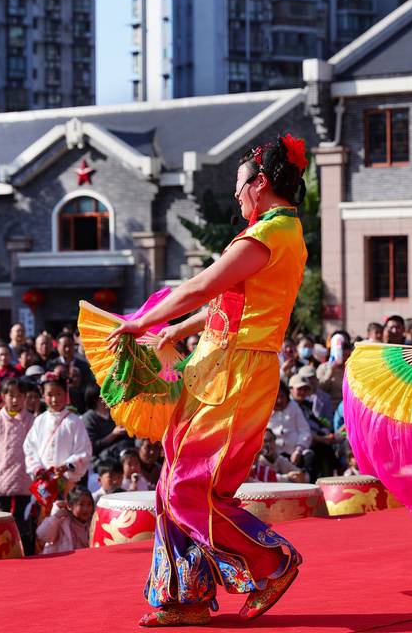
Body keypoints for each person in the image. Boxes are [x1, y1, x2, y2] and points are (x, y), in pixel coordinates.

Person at [103, 134, 309, 625]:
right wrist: (175, 328)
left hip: (238, 372)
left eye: (240, 186)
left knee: (189, 489)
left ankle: (270, 562)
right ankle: (184, 596)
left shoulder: (271, 234)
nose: (237, 195)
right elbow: (224, 301)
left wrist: (142, 321)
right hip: (218, 366)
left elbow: (201, 286)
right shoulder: (270, 234)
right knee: (172, 483)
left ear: (260, 184)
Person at [23, 373, 93, 509]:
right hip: (44, 480)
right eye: (50, 394)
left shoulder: (74, 421)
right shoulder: (40, 420)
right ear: (43, 395)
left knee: (66, 517)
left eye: (59, 394)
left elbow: (84, 450)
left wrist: (68, 465)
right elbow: (30, 447)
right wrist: (37, 468)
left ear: (66, 394)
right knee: (43, 522)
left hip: (67, 481)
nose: (54, 399)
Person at [0, 377, 34, 534]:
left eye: (19, 395)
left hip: (23, 477)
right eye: (11, 395)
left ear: (25, 397)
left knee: (22, 520)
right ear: (3, 396)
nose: (15, 400)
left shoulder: (32, 420)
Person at [36, 486, 93, 554]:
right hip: (62, 562)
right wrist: (55, 516)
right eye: (81, 504)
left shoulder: (93, 523)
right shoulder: (62, 521)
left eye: (89, 504)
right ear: (69, 506)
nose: (85, 509)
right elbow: (42, 535)